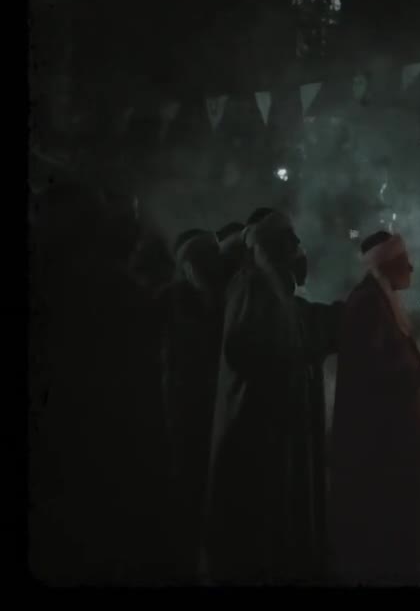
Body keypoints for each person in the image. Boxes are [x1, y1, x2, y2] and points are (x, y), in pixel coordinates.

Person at [202, 210, 341, 584]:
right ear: (269, 246)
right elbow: (247, 350)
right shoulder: (251, 285)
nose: (297, 246)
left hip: (280, 429)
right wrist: (295, 356)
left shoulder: (278, 292)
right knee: (261, 521)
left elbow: (310, 325)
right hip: (258, 429)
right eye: (288, 240)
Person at [331, 231, 420, 584]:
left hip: (396, 430)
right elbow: (370, 372)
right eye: (404, 262)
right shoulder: (369, 304)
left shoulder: (380, 299)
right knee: (390, 511)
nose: (410, 268)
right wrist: (417, 375)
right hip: (384, 436)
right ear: (387, 265)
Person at [156, 229, 225, 581]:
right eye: (201, 261)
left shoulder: (220, 302)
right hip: (182, 410)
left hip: (208, 408)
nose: (209, 268)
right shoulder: (170, 302)